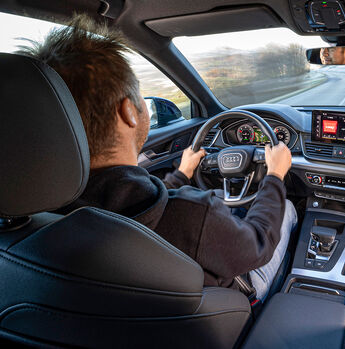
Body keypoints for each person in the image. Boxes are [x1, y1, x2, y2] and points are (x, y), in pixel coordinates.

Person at [18, 15, 297, 301]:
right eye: (140, 96)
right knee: (285, 208)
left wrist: (182, 174)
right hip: (231, 303)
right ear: (128, 111)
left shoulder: (31, 220)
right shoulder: (193, 213)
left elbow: (148, 202)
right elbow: (259, 245)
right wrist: (275, 176)